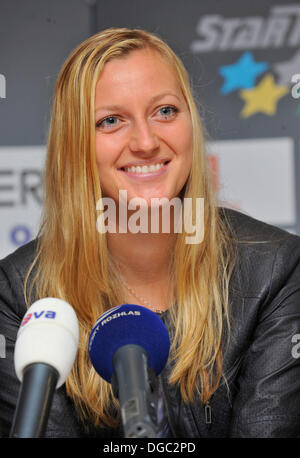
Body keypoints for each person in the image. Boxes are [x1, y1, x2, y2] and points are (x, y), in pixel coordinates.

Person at [1, 27, 300, 439]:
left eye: (165, 111)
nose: (145, 141)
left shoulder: (277, 268)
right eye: (110, 121)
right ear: (74, 146)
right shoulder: (18, 294)